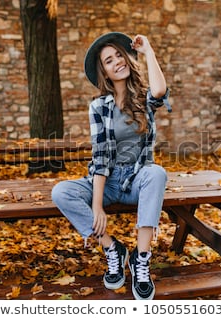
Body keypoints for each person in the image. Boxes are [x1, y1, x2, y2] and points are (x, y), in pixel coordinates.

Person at [51, 32, 171, 300]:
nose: (117, 61)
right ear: (103, 71)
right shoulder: (99, 107)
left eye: (119, 55)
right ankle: (113, 249)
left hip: (138, 179)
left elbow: (160, 90)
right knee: (61, 191)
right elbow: (101, 155)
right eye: (109, 60)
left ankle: (141, 259)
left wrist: (148, 49)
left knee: (157, 173)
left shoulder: (143, 98)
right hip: (109, 181)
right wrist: (97, 205)